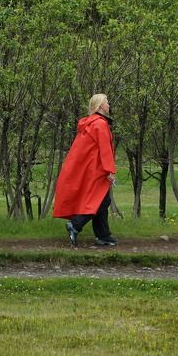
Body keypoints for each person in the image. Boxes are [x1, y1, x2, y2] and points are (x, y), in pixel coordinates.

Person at [52, 93, 118, 247]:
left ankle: (103, 235)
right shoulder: (100, 124)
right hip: (97, 170)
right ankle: (76, 224)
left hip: (90, 169)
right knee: (99, 201)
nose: (109, 105)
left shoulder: (89, 123)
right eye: (107, 102)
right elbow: (105, 149)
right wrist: (110, 171)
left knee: (102, 200)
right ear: (101, 105)